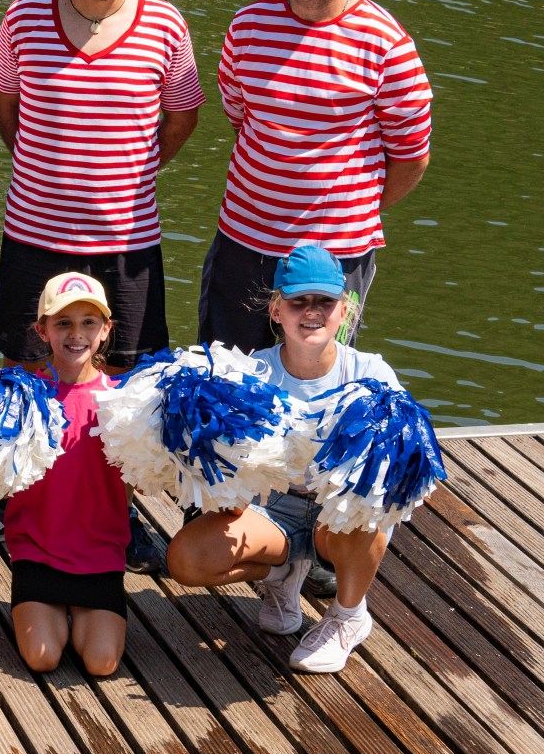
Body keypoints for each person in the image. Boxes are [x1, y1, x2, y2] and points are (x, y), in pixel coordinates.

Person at [0, 0, 204, 575]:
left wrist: (127, 171)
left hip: (126, 241)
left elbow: (181, 117)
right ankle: (14, 500)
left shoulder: (165, 24)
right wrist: (46, 166)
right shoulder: (23, 16)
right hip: (35, 232)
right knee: (26, 371)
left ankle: (117, 515)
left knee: (124, 386)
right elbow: (4, 102)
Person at [199, 0, 433, 353]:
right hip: (243, 244)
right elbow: (241, 117)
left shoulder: (388, 44)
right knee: (226, 377)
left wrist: (355, 210)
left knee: (321, 384)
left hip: (336, 257)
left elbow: (412, 157)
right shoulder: (247, 26)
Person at [166, 245, 404, 673]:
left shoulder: (372, 373)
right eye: (298, 301)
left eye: (325, 301)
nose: (312, 311)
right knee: (186, 559)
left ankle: (348, 616)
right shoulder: (250, 372)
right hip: (271, 506)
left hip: (338, 516)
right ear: (276, 311)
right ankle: (282, 574)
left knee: (370, 507)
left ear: (345, 309)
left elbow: (401, 471)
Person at [3, 274, 130, 677]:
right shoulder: (20, 396)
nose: (76, 334)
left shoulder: (127, 402)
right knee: (43, 658)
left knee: (101, 663)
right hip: (37, 552)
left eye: (89, 322)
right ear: (42, 330)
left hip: (101, 556)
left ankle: (84, 612)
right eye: (63, 323)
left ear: (106, 329)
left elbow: (144, 480)